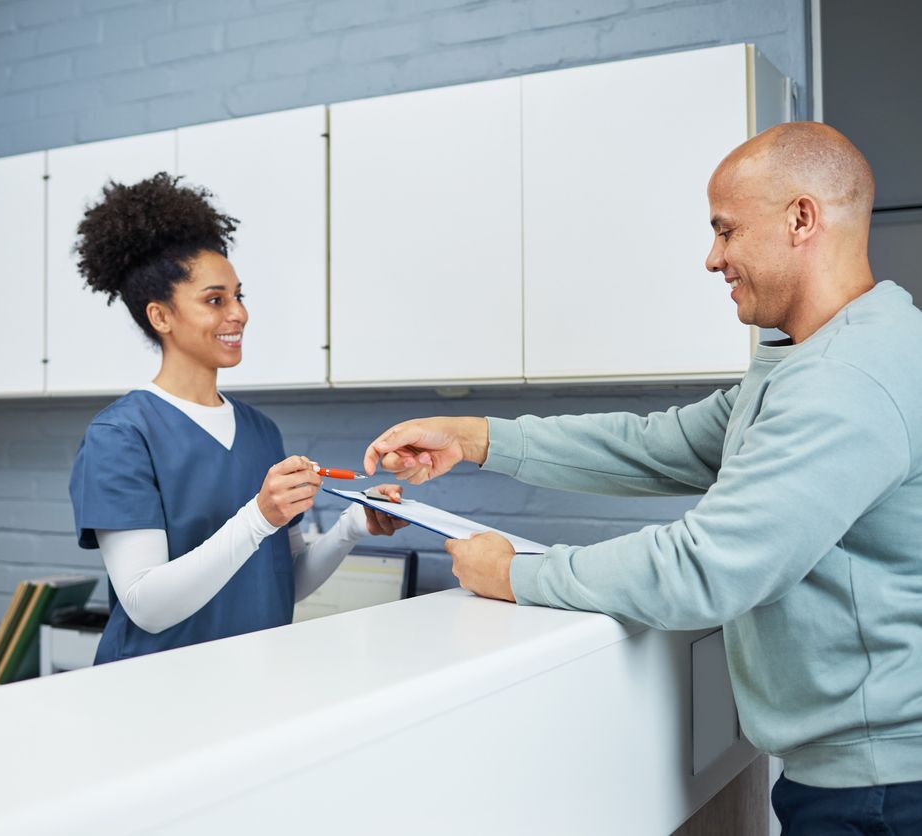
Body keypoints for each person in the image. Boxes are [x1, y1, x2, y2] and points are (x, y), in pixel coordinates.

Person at [362, 122, 922, 832]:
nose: (712, 258)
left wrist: (513, 573)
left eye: (726, 230)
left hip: (886, 791)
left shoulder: (848, 377)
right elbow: (657, 445)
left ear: (801, 218)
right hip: (861, 777)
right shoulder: (816, 361)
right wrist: (477, 439)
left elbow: (708, 566)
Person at [69, 172, 405, 665]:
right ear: (161, 317)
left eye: (238, 295)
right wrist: (259, 516)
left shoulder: (261, 431)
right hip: (150, 695)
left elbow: (280, 584)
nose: (239, 314)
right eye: (214, 300)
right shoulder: (120, 435)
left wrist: (353, 524)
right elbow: (146, 606)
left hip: (251, 686)